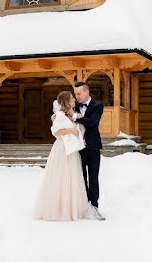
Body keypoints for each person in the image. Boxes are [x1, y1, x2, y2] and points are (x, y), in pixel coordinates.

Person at [33, 91, 100, 221]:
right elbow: (56, 131)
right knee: (61, 177)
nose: (74, 99)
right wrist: (71, 130)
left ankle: (71, 208)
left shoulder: (71, 114)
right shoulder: (59, 115)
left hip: (73, 150)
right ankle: (59, 209)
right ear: (66, 101)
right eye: (71, 98)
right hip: (62, 150)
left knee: (72, 178)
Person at [72, 81, 104, 215]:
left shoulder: (98, 105)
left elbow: (91, 123)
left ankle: (94, 207)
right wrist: (56, 116)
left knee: (93, 178)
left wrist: (76, 117)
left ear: (86, 92)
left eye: (78, 93)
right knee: (81, 177)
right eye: (75, 94)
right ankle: (84, 206)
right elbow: (64, 113)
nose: (77, 96)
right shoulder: (74, 106)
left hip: (93, 147)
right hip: (78, 148)